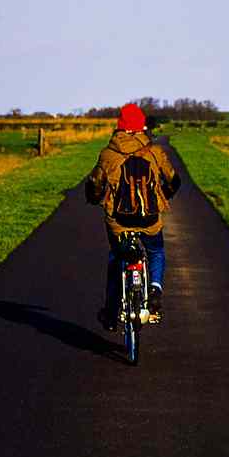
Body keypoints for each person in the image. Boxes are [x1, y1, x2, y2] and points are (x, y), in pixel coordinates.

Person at [85, 102, 180, 329]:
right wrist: (161, 197)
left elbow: (95, 184)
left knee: (116, 258)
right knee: (156, 251)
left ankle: (110, 313)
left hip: (119, 222)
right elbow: (175, 181)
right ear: (142, 127)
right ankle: (155, 289)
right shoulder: (155, 152)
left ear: (120, 127)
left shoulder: (108, 154)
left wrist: (95, 198)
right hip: (150, 220)